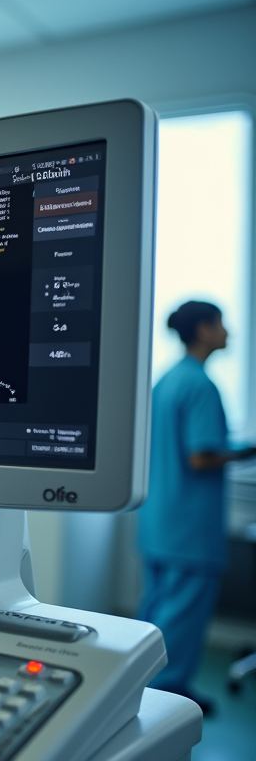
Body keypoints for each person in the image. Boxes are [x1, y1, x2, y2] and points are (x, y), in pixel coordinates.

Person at [137, 301, 256, 715]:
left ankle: (140, 685)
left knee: (156, 611)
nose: (229, 332)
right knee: (182, 616)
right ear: (204, 330)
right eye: (222, 324)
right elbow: (201, 456)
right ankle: (166, 696)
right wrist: (247, 451)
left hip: (160, 521)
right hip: (190, 527)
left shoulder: (167, 381)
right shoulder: (201, 385)